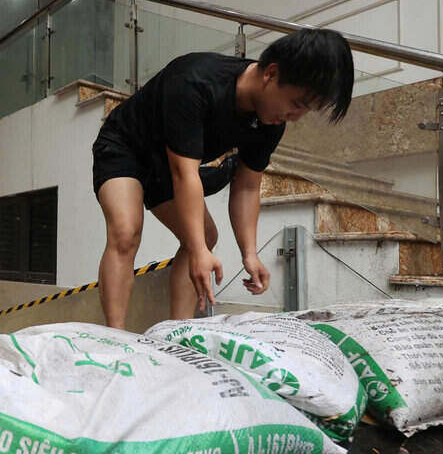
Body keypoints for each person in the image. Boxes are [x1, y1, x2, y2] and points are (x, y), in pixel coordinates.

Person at [91, 28, 354, 328]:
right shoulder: (195, 81)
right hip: (125, 146)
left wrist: (249, 253)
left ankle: (178, 332)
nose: (295, 117)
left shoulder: (270, 122)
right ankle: (114, 336)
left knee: (204, 238)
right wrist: (200, 251)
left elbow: (247, 185)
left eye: (304, 111)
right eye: (296, 104)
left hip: (169, 163)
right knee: (126, 231)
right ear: (271, 73)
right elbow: (184, 174)